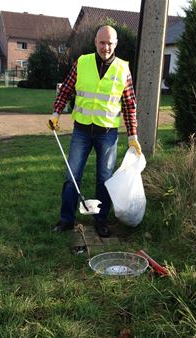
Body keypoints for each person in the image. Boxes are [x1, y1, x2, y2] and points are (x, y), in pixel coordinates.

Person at [47, 25, 142, 237]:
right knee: (72, 176)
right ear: (95, 42)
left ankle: (101, 220)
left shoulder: (123, 69)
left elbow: (129, 105)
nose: (105, 47)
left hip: (107, 134)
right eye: (102, 42)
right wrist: (56, 113)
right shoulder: (82, 63)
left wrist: (133, 135)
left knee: (104, 179)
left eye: (110, 43)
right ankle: (66, 220)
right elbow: (66, 91)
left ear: (116, 44)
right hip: (81, 131)